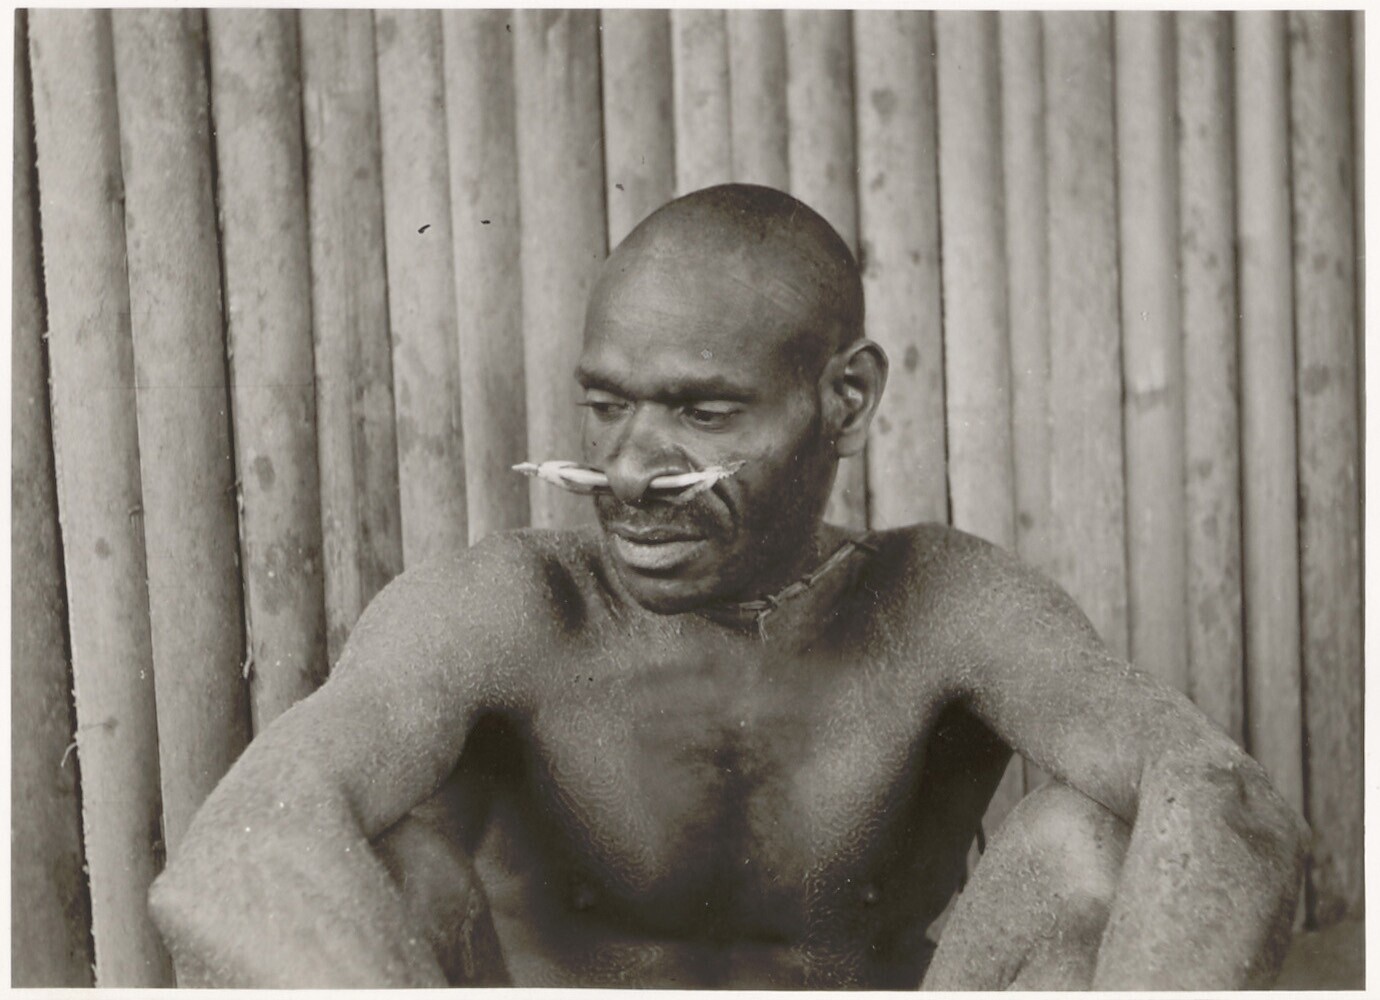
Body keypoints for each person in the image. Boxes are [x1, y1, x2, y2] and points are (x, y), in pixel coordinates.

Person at [149, 184, 1305, 989]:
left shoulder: (940, 602)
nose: (630, 472)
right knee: (379, 866)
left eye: (703, 412)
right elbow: (234, 857)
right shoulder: (508, 608)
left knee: (1086, 847)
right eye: (606, 406)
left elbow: (1221, 797)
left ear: (845, 399)